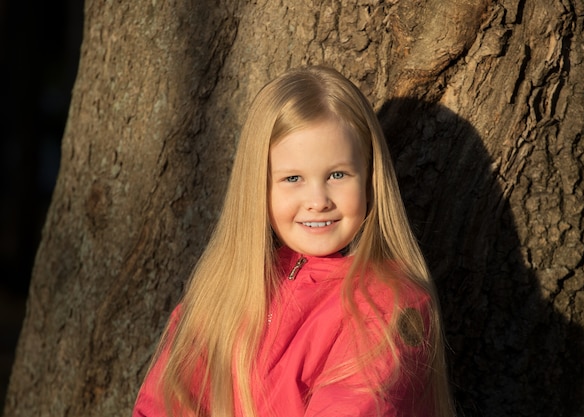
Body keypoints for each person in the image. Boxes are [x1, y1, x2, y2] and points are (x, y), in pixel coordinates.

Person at [133, 66, 455, 417]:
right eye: (292, 178)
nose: (318, 200)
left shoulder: (387, 304)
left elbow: (357, 406)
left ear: (369, 179)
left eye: (337, 175)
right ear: (260, 186)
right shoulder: (222, 294)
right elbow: (160, 406)